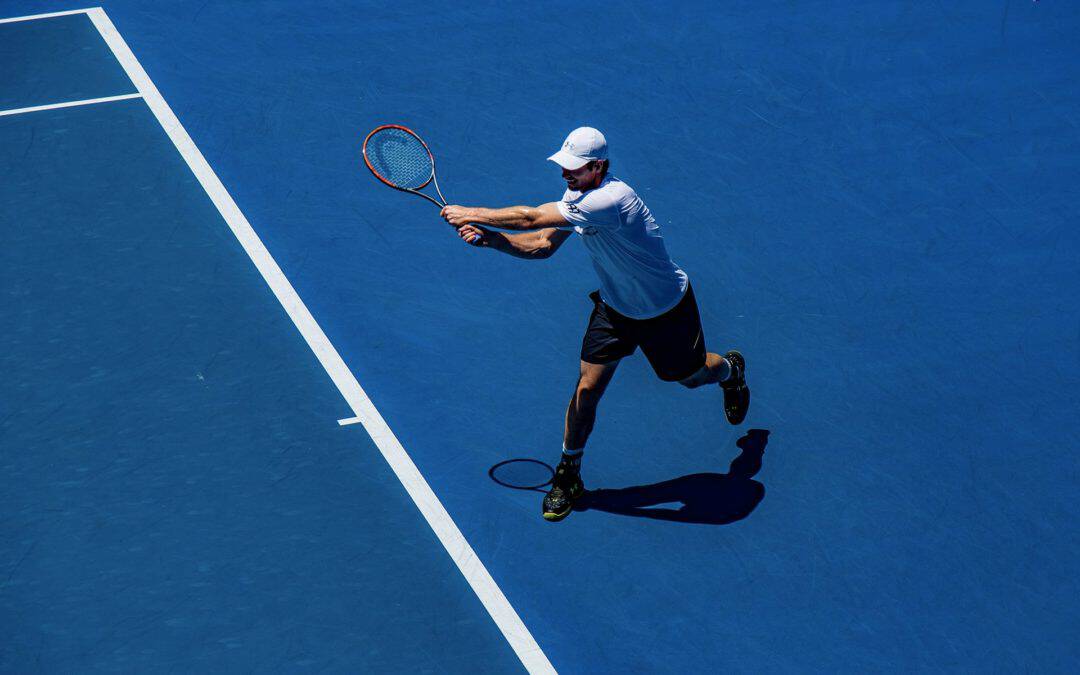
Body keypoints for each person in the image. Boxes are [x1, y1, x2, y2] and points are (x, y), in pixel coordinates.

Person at [441, 127, 749, 522]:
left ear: (599, 166)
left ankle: (730, 370)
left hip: (666, 310)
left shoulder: (612, 200)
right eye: (563, 167)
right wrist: (493, 240)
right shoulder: (578, 196)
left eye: (574, 168)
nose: (566, 174)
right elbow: (542, 244)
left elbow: (531, 217)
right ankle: (569, 473)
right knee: (587, 389)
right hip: (615, 309)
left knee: (689, 377)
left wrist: (471, 212)